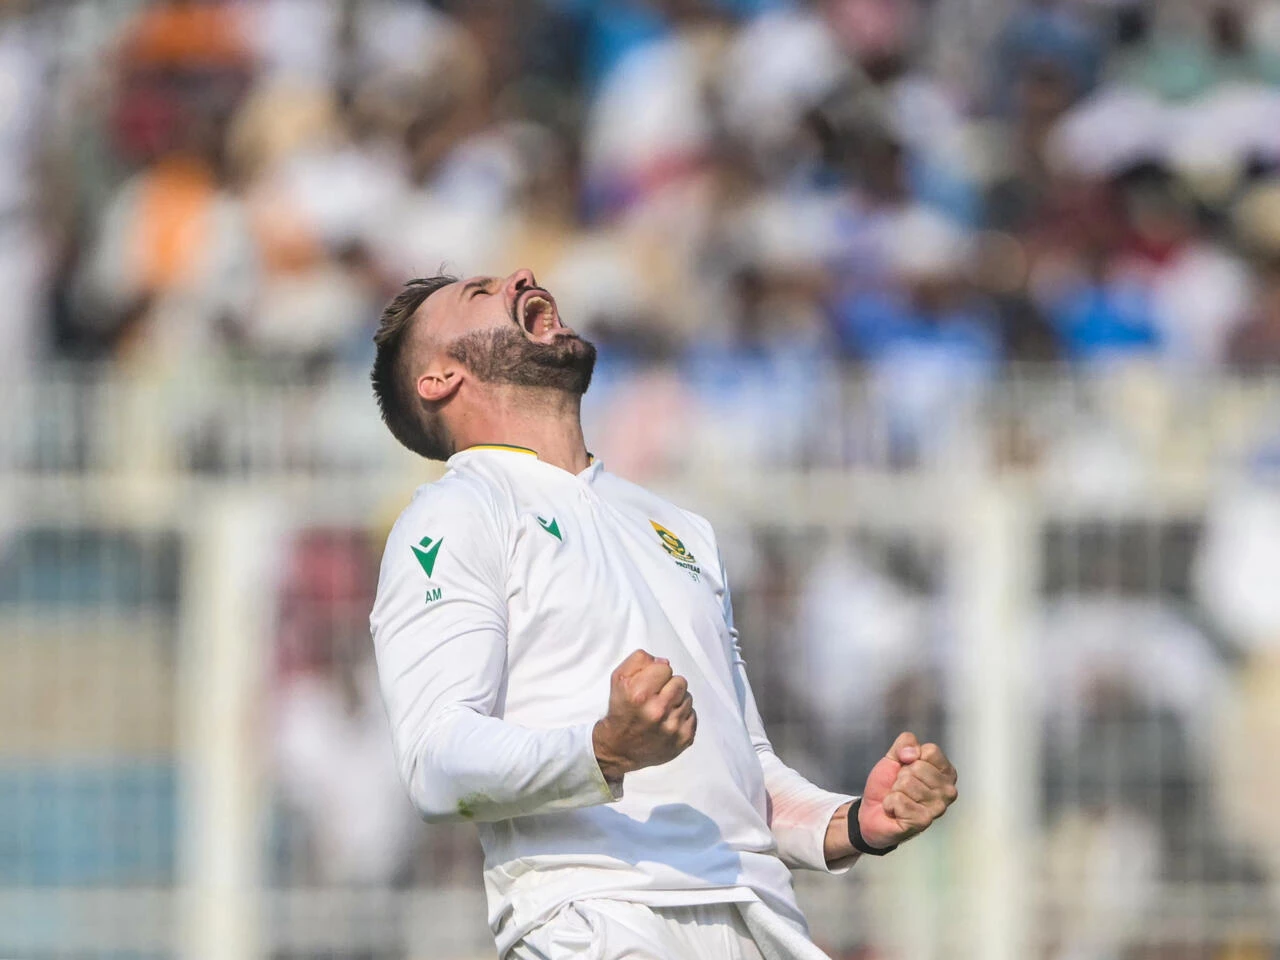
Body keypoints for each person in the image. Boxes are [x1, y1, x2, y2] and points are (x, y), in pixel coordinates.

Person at [366, 269, 959, 959]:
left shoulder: (677, 526)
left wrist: (854, 819)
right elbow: (435, 763)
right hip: (597, 921)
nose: (522, 276)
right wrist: (601, 749)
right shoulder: (453, 513)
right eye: (478, 294)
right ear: (438, 379)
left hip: (761, 922)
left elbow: (744, 774)